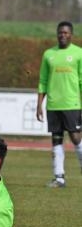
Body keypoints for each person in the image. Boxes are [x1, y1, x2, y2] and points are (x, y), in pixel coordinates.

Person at [36, 21, 82, 188]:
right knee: (56, 140)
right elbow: (43, 80)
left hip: (72, 104)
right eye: (60, 33)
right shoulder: (49, 54)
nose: (63, 35)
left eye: (66, 33)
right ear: (57, 34)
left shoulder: (79, 53)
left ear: (71, 35)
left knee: (76, 138)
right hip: (54, 105)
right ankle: (59, 177)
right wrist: (39, 104)